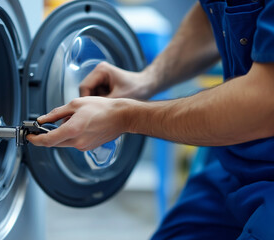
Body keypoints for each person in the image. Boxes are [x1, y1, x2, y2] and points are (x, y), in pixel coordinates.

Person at [28, 0, 274, 239]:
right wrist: (146, 80)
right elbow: (214, 12)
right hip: (237, 165)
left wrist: (126, 116)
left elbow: (262, 103)